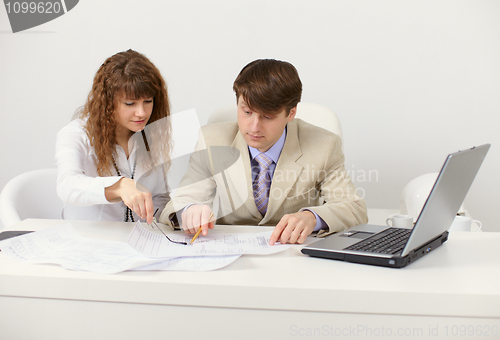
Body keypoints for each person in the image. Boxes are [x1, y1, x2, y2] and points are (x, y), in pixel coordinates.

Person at [159, 59, 367, 244]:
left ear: (290, 113)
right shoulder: (211, 140)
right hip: (230, 252)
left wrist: (312, 217)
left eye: (267, 116)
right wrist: (189, 211)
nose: (254, 127)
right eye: (247, 112)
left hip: (294, 255)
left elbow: (353, 208)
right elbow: (177, 204)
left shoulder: (324, 145)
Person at [56, 49, 172, 224]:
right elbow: (67, 186)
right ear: (107, 103)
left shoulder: (150, 135)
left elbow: (159, 198)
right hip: (87, 240)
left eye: (148, 101)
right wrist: (118, 186)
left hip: (136, 242)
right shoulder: (76, 134)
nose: (141, 113)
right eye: (130, 103)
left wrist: (179, 215)